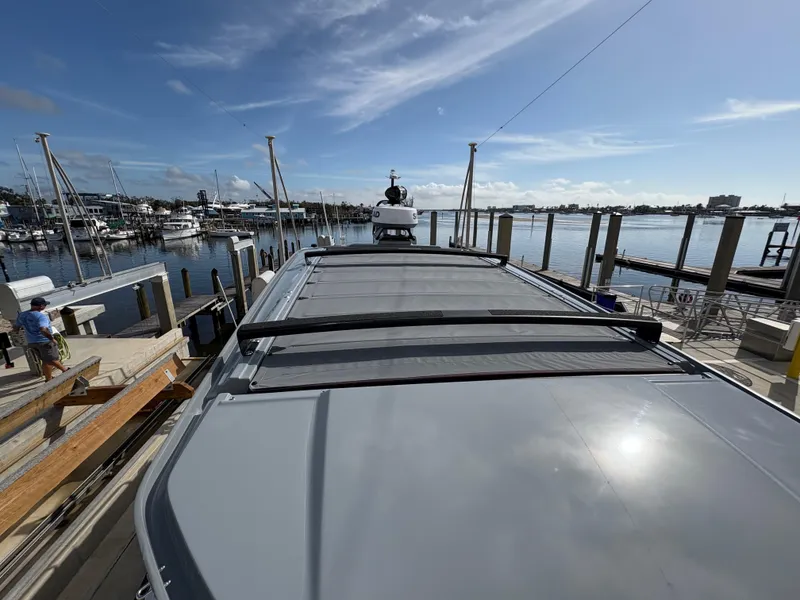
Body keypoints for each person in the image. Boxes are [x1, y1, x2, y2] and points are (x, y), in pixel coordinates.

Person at [13, 297, 68, 381]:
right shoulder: (41, 316)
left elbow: (16, 327)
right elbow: (43, 329)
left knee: (45, 361)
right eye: (45, 305)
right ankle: (66, 371)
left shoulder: (22, 315)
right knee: (52, 359)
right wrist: (52, 339)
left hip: (32, 342)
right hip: (44, 341)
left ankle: (48, 379)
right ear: (41, 306)